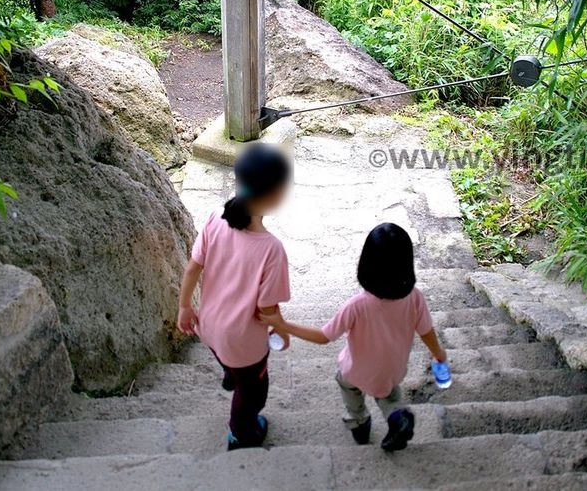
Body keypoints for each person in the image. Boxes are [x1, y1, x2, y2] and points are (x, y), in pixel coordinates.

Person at [261, 222, 448, 452]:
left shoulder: (357, 306)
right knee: (388, 395)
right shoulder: (415, 298)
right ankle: (398, 417)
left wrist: (282, 324)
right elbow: (426, 330)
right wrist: (438, 353)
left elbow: (324, 336)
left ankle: (360, 425)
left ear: (367, 264)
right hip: (392, 370)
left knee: (348, 387)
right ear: (406, 265)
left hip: (356, 371)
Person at [176, 144, 293, 451]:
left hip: (209, 327)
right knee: (254, 393)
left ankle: (230, 373)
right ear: (274, 196)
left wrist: (185, 306)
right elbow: (267, 309)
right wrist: (281, 328)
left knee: (229, 363)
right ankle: (240, 433)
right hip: (243, 343)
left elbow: (192, 269)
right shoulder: (271, 250)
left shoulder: (215, 218)